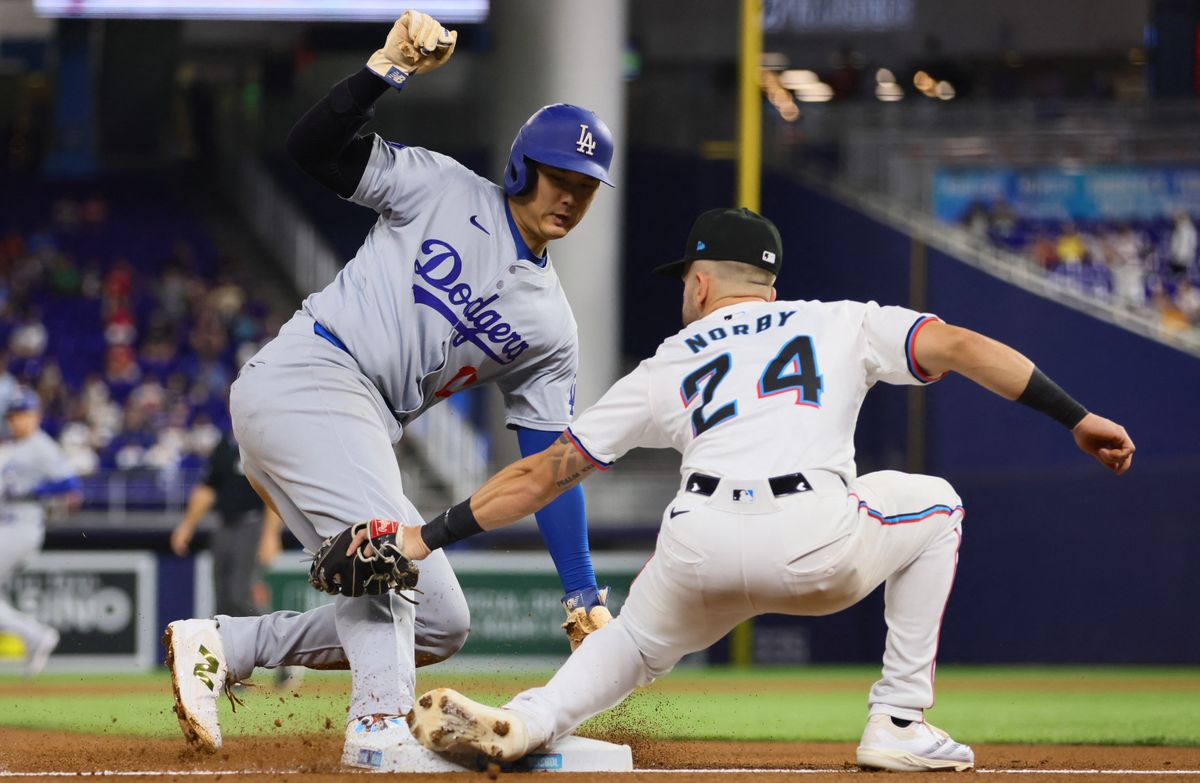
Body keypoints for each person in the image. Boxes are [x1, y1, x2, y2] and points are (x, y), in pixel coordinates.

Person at [400, 208, 1136, 772]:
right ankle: (900, 723)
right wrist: (1074, 415)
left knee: (626, 644)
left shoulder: (669, 359)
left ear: (700, 281)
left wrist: (427, 536)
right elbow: (965, 348)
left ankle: (527, 721)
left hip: (698, 541)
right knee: (937, 502)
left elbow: (542, 474)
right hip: (815, 537)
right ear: (770, 288)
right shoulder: (841, 321)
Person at [163, 9, 616, 770]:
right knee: (383, 558)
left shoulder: (551, 326)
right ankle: (376, 731)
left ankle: (226, 643)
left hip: (363, 420)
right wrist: (383, 72)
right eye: (558, 177)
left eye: (586, 186)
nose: (569, 196)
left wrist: (582, 591)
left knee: (440, 618)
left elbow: (552, 463)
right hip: (313, 374)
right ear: (521, 169)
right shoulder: (441, 188)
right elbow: (311, 148)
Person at [0, 389, 82, 677]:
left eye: (22, 414)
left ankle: (35, 635)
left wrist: (36, 491)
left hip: (21, 528)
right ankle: (35, 636)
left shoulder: (42, 446)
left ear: (35, 416)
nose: (16, 421)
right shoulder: (10, 447)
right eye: (12, 416)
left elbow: (71, 484)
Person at [170, 432, 284, 617]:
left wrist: (271, 535)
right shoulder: (224, 446)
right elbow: (208, 488)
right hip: (224, 525)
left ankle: (269, 642)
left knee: (242, 595)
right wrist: (186, 527)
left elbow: (274, 493)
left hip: (252, 525)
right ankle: (226, 644)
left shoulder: (261, 443)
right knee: (223, 599)